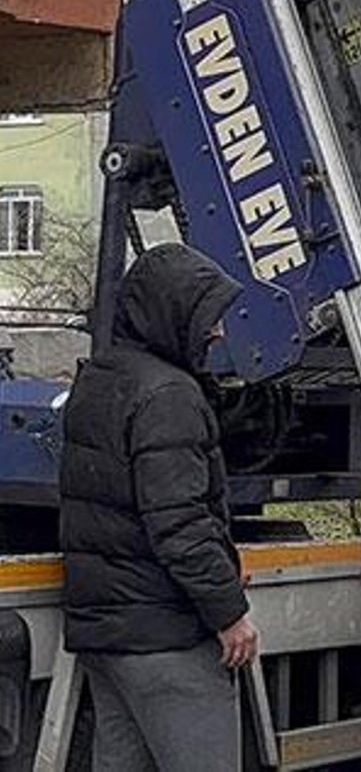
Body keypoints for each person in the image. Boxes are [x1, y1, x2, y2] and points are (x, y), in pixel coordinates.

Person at [60, 243, 259, 772]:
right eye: (206, 318)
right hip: (165, 636)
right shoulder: (169, 395)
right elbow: (180, 524)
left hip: (106, 634)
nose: (216, 333)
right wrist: (229, 612)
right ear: (172, 314)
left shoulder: (99, 379)